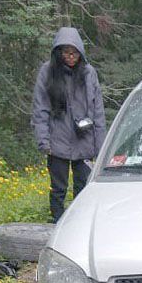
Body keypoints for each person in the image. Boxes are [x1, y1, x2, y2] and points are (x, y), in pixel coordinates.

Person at [32, 27, 106, 223]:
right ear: (59, 53)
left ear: (80, 52)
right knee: (58, 188)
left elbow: (97, 110)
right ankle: (57, 222)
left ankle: (79, 223)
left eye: (74, 53)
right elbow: (40, 109)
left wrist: (101, 147)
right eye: (66, 53)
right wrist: (43, 141)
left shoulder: (89, 73)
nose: (70, 57)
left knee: (83, 187)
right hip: (57, 142)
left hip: (85, 141)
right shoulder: (47, 72)